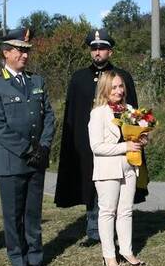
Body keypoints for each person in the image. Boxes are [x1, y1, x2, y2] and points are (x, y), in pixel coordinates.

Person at [54, 29, 145, 247]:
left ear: (110, 52)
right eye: (94, 48)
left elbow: (132, 112)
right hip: (88, 144)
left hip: (118, 144)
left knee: (117, 186)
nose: (97, 53)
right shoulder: (79, 78)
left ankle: (117, 232)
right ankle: (94, 230)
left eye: (102, 48)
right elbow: (73, 115)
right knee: (90, 186)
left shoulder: (122, 78)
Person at [0, 27, 56, 266]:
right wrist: (27, 150)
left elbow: (49, 117)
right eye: (19, 50)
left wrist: (44, 147)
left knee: (33, 213)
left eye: (27, 51)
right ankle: (18, 261)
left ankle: (35, 258)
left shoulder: (37, 81)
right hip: (13, 162)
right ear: (6, 52)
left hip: (37, 160)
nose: (25, 55)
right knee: (13, 216)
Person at [88, 71, 147, 266]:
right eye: (114, 87)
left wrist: (141, 139)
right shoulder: (98, 113)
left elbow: (134, 136)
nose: (119, 90)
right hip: (107, 170)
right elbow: (96, 146)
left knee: (126, 211)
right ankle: (109, 255)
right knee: (108, 212)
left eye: (121, 86)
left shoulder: (129, 109)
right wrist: (125, 147)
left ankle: (127, 251)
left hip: (129, 168)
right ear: (105, 88)